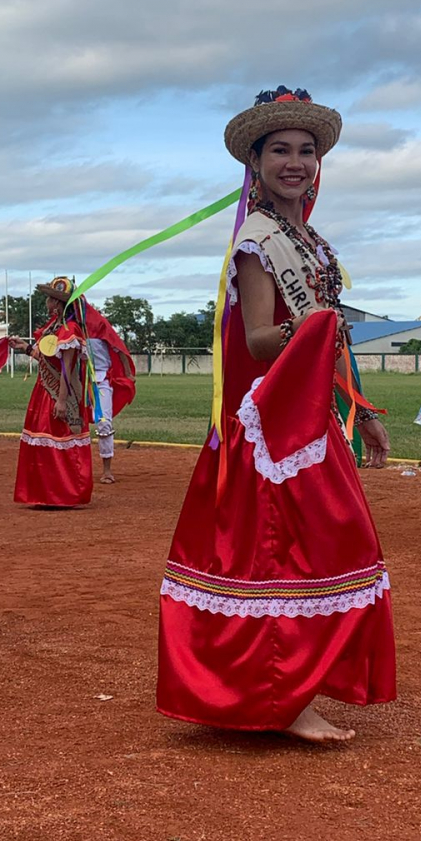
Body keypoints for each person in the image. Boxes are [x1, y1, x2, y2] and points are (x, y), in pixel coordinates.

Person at [157, 87, 396, 744]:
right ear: (255, 162)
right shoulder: (258, 239)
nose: (296, 161)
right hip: (268, 425)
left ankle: (281, 690)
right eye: (281, 150)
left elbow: (332, 337)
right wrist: (307, 327)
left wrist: (361, 409)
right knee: (279, 557)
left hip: (311, 418)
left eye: (307, 151)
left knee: (323, 549)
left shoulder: (311, 241)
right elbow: (262, 338)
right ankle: (282, 699)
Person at [10, 277, 93, 508]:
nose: (46, 301)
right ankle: (47, 494)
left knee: (58, 436)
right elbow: (48, 360)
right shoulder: (55, 328)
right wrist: (25, 348)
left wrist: (62, 400)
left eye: (50, 298)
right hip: (45, 389)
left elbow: (67, 366)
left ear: (57, 303)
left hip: (58, 392)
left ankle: (63, 494)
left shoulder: (70, 330)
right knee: (44, 438)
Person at [84, 302, 136, 484]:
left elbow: (118, 347)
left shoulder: (99, 325)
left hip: (100, 382)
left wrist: (128, 372)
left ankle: (107, 470)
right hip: (76, 383)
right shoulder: (67, 327)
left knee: (104, 423)